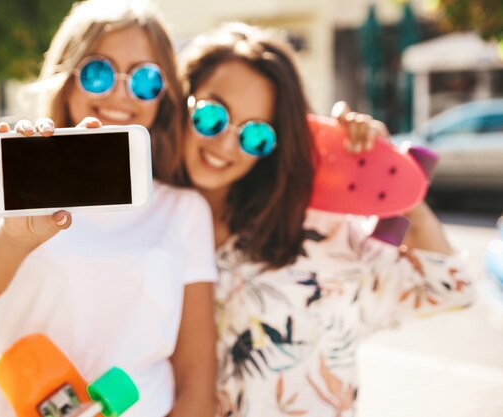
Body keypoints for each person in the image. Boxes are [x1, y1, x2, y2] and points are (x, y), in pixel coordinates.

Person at [176, 22, 473, 417]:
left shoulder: (319, 234)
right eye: (212, 116)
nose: (225, 143)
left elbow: (447, 287)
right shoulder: (140, 222)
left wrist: (393, 181)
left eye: (256, 136)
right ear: (182, 100)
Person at [0, 2, 217, 417]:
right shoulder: (17, 187)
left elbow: (196, 377)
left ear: (163, 96)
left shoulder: (184, 210)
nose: (119, 94)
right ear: (68, 78)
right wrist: (14, 237)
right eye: (99, 73)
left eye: (146, 80)